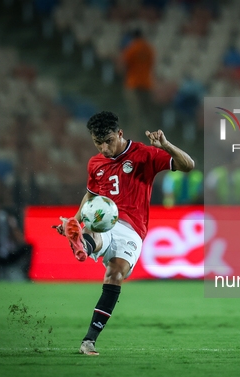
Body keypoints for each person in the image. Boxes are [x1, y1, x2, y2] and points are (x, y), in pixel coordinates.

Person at [52, 111, 194, 355]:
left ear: (119, 133)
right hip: (105, 219)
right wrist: (74, 220)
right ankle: (81, 242)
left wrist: (166, 146)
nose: (104, 148)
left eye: (108, 140)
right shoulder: (95, 163)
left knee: (115, 275)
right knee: (96, 227)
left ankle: (89, 340)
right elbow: (91, 196)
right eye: (98, 143)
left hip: (132, 229)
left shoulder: (145, 154)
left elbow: (188, 166)